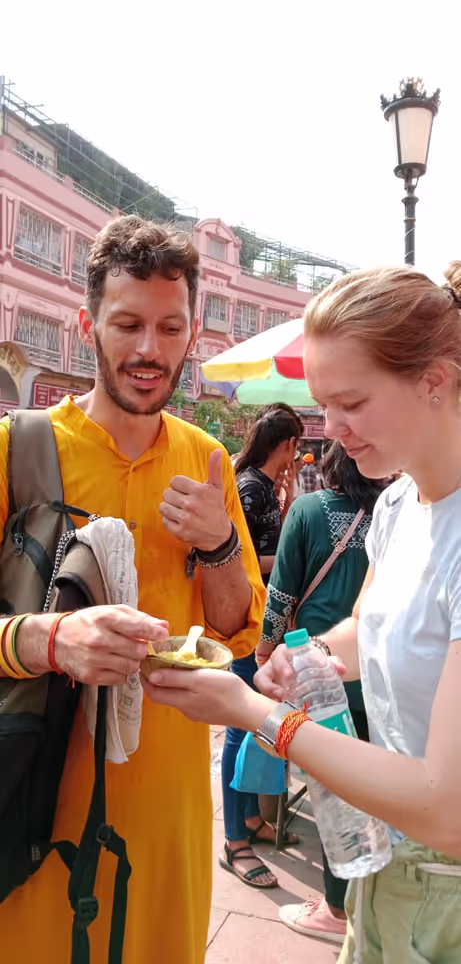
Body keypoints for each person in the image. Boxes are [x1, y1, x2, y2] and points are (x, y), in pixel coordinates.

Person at [144, 262, 461, 964]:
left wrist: (257, 715)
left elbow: (446, 806)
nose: (331, 430)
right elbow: (368, 624)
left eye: (350, 402)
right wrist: (313, 653)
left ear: (433, 381)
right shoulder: (403, 503)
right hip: (386, 871)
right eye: (323, 404)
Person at [0, 215, 265, 964]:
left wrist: (215, 544)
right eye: (127, 324)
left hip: (167, 800)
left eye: (169, 327)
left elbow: (236, 630)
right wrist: (52, 640)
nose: (149, 350)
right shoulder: (19, 448)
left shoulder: (207, 459)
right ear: (88, 324)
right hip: (35, 790)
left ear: (190, 335)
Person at [256, 440, 385, 943]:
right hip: (375, 676)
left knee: (336, 794)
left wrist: (266, 653)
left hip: (318, 674)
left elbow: (282, 594)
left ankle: (335, 909)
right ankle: (366, 900)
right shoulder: (391, 514)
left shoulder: (308, 510)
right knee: (372, 790)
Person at [220, 404, 303, 888]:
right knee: (240, 725)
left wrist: (289, 507)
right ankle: (234, 841)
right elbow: (245, 560)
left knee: (257, 724)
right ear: (289, 445)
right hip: (249, 626)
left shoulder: (264, 487)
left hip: (262, 622)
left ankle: (250, 818)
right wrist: (290, 560)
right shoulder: (249, 486)